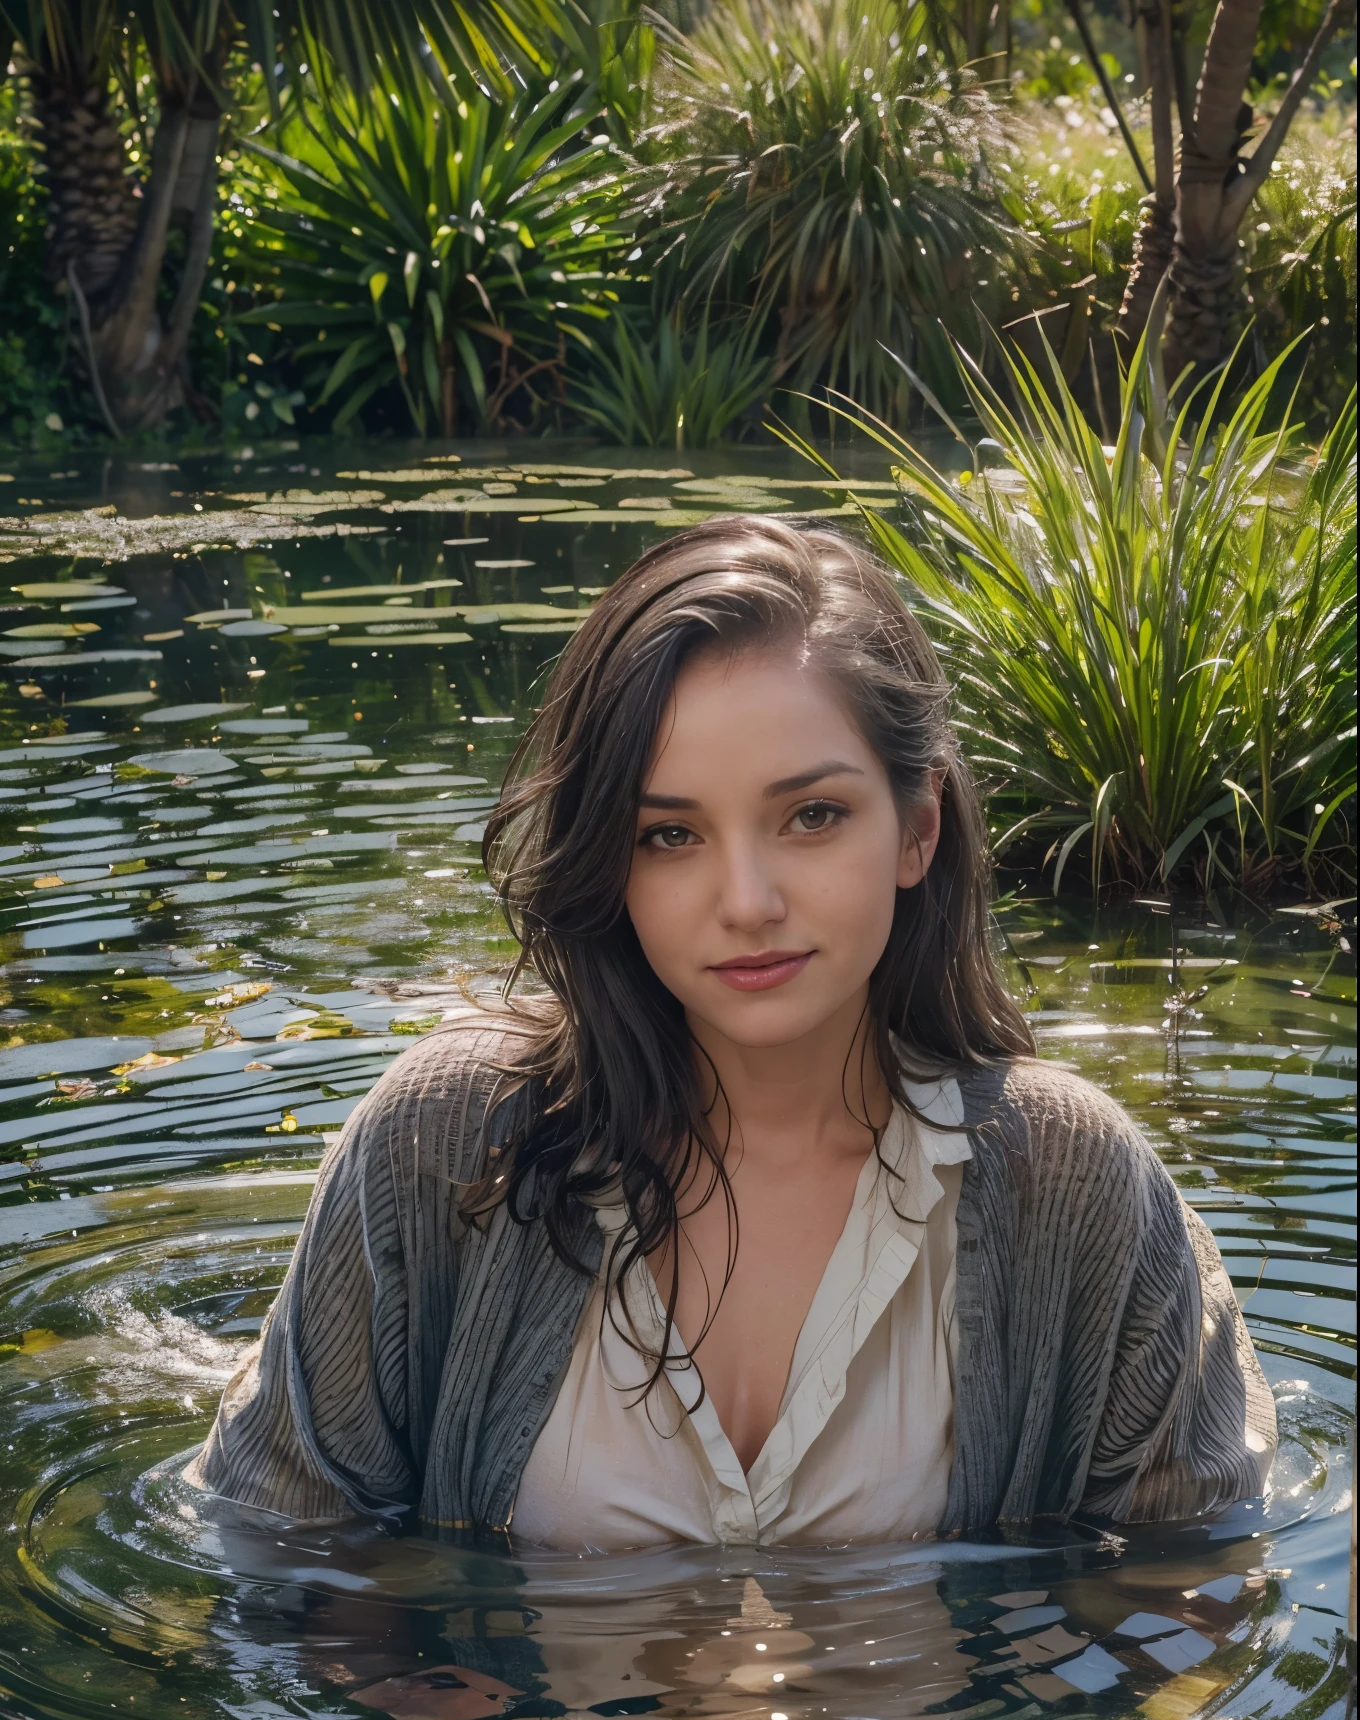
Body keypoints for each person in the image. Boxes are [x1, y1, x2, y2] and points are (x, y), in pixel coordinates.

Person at [190, 517, 1275, 1549]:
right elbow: (281, 1542)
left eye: (811, 815)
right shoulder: (440, 1142)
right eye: (669, 834)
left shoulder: (1077, 1183)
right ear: (609, 865)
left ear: (918, 827)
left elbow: (1187, 1581)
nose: (746, 899)